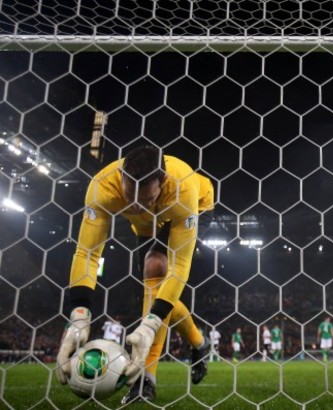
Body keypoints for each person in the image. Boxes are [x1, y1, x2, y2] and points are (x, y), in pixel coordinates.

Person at [55, 146, 214, 404]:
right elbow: (87, 253)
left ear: (161, 183)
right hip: (147, 226)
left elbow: (180, 264)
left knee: (157, 267)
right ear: (122, 177)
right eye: (131, 198)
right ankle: (200, 343)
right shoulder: (103, 187)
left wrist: (151, 324)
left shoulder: (182, 187)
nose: (138, 206)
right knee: (155, 291)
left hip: (196, 206)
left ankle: (145, 380)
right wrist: (79, 315)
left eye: (147, 199)